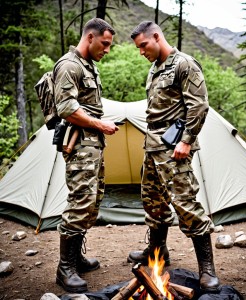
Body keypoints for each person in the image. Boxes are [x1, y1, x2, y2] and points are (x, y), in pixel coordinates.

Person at [127, 21, 220, 292]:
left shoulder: (184, 64)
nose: (141, 51)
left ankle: (207, 269)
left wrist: (186, 141)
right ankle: (158, 252)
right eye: (138, 48)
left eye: (143, 45)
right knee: (153, 203)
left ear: (157, 37)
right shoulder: (154, 68)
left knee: (186, 205)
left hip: (174, 148)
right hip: (153, 147)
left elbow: (199, 105)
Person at [53, 18, 120, 293]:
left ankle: (76, 258)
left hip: (92, 145)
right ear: (90, 37)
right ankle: (64, 268)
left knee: (91, 202)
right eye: (104, 44)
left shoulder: (88, 66)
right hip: (79, 145)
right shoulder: (69, 65)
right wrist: (100, 124)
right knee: (80, 201)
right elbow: (67, 108)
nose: (107, 50)